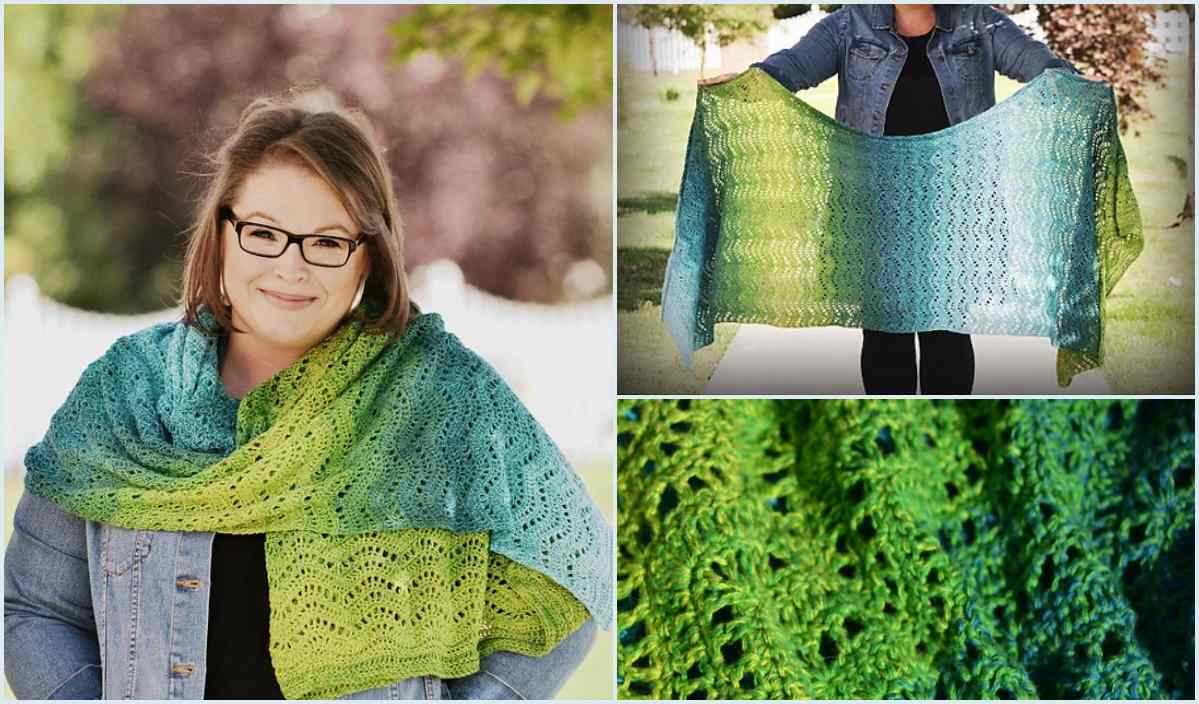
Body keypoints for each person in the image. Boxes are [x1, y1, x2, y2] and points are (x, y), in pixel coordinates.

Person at [4, 88, 606, 700]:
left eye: (326, 242)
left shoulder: (440, 398)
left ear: (368, 258)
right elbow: (37, 609)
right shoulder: (124, 397)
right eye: (263, 233)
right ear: (221, 234)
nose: (291, 268)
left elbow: (577, 572)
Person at [700, 4, 1081, 394]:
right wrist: (749, 81)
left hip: (953, 205)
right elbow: (793, 66)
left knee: (946, 332)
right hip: (873, 206)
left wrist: (1070, 80)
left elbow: (1036, 61)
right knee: (883, 335)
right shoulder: (850, 24)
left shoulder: (979, 21)